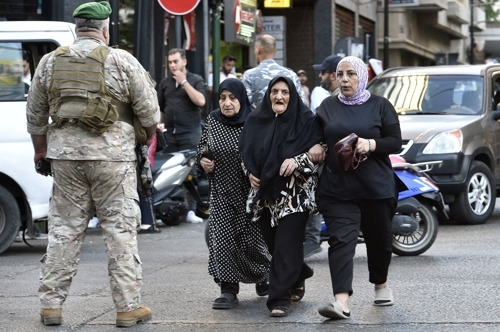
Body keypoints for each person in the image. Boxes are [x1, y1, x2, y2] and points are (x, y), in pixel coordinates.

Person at [26, 1, 160, 328]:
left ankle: (51, 307)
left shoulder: (49, 63)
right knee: (119, 233)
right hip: (113, 161)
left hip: (66, 161)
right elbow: (150, 113)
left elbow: (34, 116)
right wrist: (144, 138)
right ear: (105, 28)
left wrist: (41, 151)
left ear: (76, 28)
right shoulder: (121, 60)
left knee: (64, 232)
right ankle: (128, 308)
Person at [313, 56, 402, 320]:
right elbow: (314, 136)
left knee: (380, 241)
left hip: (376, 187)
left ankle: (381, 284)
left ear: (362, 77)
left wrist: (371, 144)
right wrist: (316, 145)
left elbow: (395, 141)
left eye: (351, 74)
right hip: (338, 188)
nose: (344, 79)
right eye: (340, 74)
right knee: (340, 240)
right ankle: (341, 301)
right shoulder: (327, 107)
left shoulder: (381, 106)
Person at [239, 76, 324, 317]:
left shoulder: (306, 119)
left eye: (284, 92)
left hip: (294, 194)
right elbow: (245, 151)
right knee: (275, 246)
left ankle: (279, 299)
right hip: (264, 195)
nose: (279, 96)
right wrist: (250, 173)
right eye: (274, 91)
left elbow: (320, 152)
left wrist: (295, 161)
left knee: (286, 245)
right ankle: (300, 273)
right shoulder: (257, 119)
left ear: (293, 95)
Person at [197, 78, 271, 310]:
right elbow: (202, 147)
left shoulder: (254, 121)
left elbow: (264, 152)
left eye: (232, 98)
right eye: (222, 98)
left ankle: (263, 277)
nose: (227, 103)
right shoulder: (213, 120)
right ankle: (228, 290)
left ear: (242, 99)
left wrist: (255, 171)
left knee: (254, 242)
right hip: (221, 192)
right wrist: (203, 160)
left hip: (250, 194)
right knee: (222, 240)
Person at [157, 48, 206, 224]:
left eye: (175, 61)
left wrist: (184, 82)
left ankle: (191, 210)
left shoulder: (195, 80)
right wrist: (158, 126)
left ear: (184, 61)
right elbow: (161, 109)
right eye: (170, 62)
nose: (172, 65)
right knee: (169, 171)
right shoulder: (165, 83)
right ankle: (171, 210)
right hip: (170, 133)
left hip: (190, 132)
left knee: (191, 172)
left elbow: (201, 101)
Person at [303, 54, 343, 259]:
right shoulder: (330, 99)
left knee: (312, 185)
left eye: (324, 72)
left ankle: (312, 237)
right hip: (334, 159)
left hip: (338, 162)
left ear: (334, 75)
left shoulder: (337, 100)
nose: (320, 76)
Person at [241, 34, 306, 110]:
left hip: (259, 121)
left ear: (258, 50)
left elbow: (244, 106)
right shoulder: (291, 75)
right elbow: (302, 104)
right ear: (275, 51)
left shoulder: (249, 76)